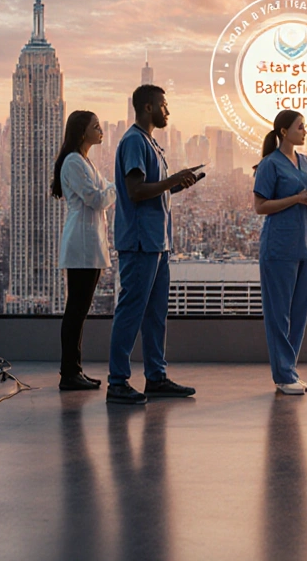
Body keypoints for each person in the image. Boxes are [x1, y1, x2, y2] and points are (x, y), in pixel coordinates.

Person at [108, 84, 202, 405]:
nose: (168, 111)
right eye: (163, 105)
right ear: (147, 107)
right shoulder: (134, 141)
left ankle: (156, 377)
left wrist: (178, 183)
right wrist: (172, 179)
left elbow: (154, 190)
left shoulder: (151, 143)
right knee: (131, 312)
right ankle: (118, 382)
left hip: (157, 243)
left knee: (155, 315)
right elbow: (136, 191)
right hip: (139, 242)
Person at [253, 109, 307, 395]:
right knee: (279, 313)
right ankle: (282, 375)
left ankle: (290, 370)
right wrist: (297, 198)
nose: (305, 131)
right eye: (300, 126)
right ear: (284, 131)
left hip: (305, 244)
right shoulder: (270, 165)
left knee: (298, 312)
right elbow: (260, 206)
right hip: (279, 246)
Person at [53, 110, 116, 391]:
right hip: (81, 243)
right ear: (82, 132)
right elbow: (97, 199)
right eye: (96, 126)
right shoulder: (73, 162)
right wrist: (118, 188)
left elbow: (102, 195)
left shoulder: (86, 162)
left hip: (89, 243)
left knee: (79, 310)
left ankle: (73, 370)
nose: (101, 130)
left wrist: (112, 189)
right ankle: (69, 372)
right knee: (76, 311)